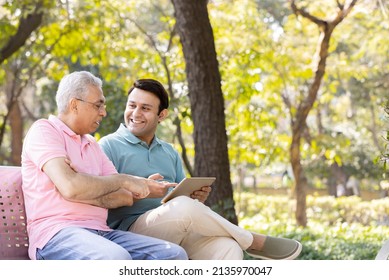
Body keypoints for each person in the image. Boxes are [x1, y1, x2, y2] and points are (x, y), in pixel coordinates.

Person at [99, 78, 302, 260]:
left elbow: (178, 197)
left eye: (145, 108)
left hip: (176, 227)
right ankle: (253, 241)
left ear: (162, 115)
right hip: (129, 231)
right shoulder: (108, 146)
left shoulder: (169, 151)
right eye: (132, 105)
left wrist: (195, 198)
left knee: (228, 248)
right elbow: (100, 197)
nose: (135, 113)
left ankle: (241, 242)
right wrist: (142, 190)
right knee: (184, 207)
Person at [21, 71, 188, 260]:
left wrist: (84, 185)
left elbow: (123, 197)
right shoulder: (44, 131)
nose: (103, 112)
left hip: (101, 233)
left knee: (173, 255)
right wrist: (119, 180)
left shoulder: (92, 144)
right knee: (116, 258)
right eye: (98, 105)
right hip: (56, 234)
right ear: (74, 104)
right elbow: (71, 187)